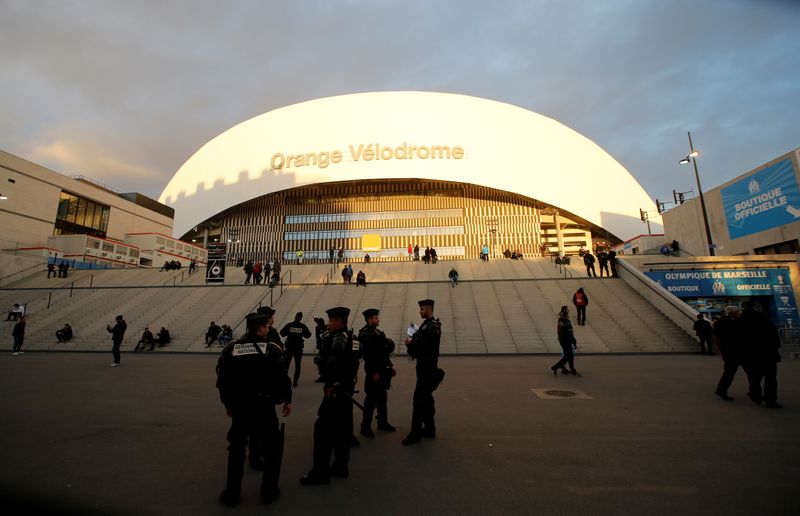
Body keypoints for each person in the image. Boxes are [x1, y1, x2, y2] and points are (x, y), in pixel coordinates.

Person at [216, 308, 292, 507]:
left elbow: (223, 381)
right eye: (267, 326)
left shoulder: (232, 349)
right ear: (260, 329)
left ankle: (232, 493)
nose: (268, 329)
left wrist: (228, 404)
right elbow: (283, 379)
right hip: (265, 407)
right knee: (272, 449)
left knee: (236, 450)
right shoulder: (272, 349)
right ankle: (269, 491)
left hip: (241, 408)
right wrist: (287, 400)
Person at [300, 307, 359, 485]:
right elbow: (356, 358)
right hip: (347, 387)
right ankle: (341, 466)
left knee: (322, 431)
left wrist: (332, 383)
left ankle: (320, 472)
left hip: (336, 390)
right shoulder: (353, 338)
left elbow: (335, 360)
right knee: (342, 429)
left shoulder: (339, 337)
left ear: (340, 321)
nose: (329, 324)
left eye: (332, 320)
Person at [402, 299, 443, 446]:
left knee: (418, 400)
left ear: (428, 309)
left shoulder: (430, 327)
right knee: (426, 399)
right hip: (427, 366)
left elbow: (423, 348)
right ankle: (429, 428)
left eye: (422, 309)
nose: (420, 312)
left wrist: (411, 343)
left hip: (427, 367)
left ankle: (415, 434)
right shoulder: (429, 325)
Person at [358, 309, 396, 438]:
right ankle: (365, 426)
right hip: (374, 371)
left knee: (382, 397)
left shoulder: (377, 332)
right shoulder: (365, 333)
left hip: (381, 369)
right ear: (369, 320)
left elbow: (383, 352)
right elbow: (369, 355)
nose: (378, 319)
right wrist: (374, 372)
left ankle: (382, 422)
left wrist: (390, 366)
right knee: (371, 399)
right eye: (375, 318)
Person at [739, 301, 782, 408]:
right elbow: (773, 335)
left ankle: (755, 394)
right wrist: (776, 348)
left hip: (750, 354)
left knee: (755, 377)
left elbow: (738, 339)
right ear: (755, 307)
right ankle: (770, 400)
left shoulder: (740, 321)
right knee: (770, 378)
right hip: (767, 353)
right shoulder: (763, 318)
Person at [713, 306, 741, 401]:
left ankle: (721, 389)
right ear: (734, 313)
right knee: (731, 371)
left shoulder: (720, 322)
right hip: (734, 350)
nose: (739, 313)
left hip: (726, 350)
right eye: (738, 312)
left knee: (729, 371)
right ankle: (755, 391)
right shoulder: (733, 323)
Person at [280, 312, 312, 387]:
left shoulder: (289, 325)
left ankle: (285, 381)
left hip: (290, 348)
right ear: (301, 318)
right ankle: (295, 382)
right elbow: (308, 335)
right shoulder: (302, 326)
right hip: (298, 349)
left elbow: (282, 333)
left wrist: (289, 333)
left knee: (286, 365)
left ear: (295, 316)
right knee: (297, 365)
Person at [551, 306, 580, 376]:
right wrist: (573, 340)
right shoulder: (562, 320)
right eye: (567, 310)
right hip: (565, 340)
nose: (568, 311)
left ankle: (556, 367)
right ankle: (556, 367)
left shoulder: (565, 320)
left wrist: (573, 340)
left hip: (566, 340)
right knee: (568, 356)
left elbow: (570, 332)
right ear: (564, 311)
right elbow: (566, 330)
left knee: (568, 356)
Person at [313, 317, 327, 382]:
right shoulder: (326, 327)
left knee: (320, 362)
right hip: (326, 346)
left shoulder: (317, 328)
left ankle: (322, 376)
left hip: (321, 347)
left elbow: (317, 337)